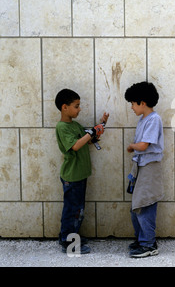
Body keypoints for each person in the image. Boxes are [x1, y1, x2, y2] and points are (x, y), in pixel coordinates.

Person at [55, 88, 109, 254]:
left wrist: (100, 127)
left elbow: (87, 140)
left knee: (77, 210)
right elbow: (76, 145)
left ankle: (71, 236)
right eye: (76, 106)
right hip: (72, 176)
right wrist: (92, 131)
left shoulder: (75, 125)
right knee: (73, 210)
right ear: (65, 107)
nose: (80, 109)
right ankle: (68, 243)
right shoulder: (62, 127)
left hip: (80, 175)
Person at [125, 81, 164, 258]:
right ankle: (143, 239)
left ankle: (148, 244)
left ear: (142, 102)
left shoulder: (154, 119)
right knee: (138, 204)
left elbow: (144, 145)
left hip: (149, 167)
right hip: (142, 167)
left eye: (133, 103)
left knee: (145, 204)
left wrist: (132, 146)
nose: (132, 107)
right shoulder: (144, 119)